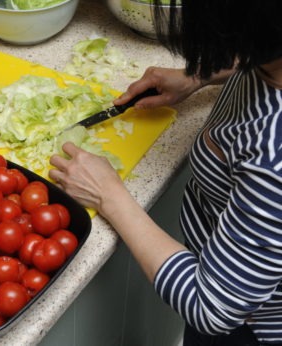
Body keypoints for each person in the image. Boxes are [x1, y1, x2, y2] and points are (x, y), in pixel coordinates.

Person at [49, 1, 282, 345]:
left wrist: (109, 196)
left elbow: (212, 307)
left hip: (249, 330)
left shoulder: (272, 156)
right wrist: (201, 74)